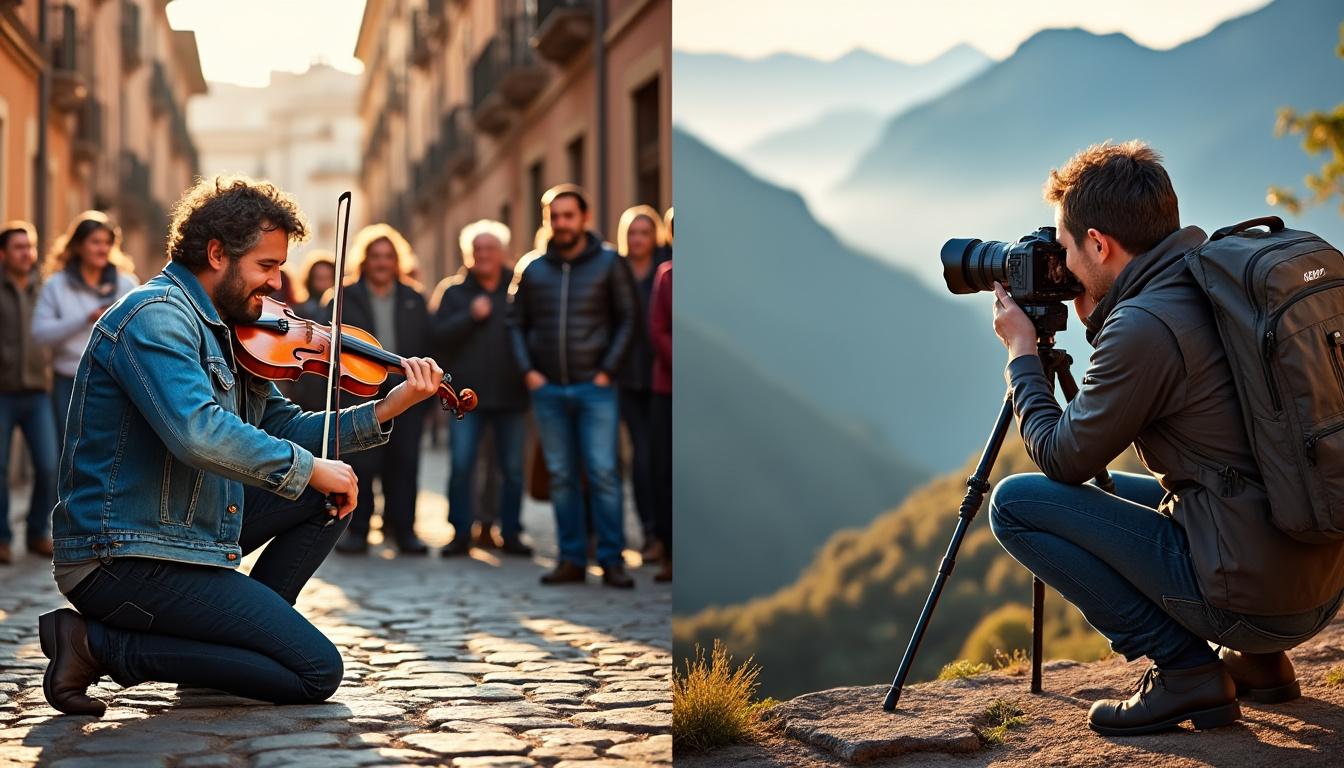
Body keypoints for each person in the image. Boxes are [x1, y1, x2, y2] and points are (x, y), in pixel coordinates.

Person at [39, 175, 444, 716]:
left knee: (330, 491)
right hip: (121, 556)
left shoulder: (232, 328)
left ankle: (222, 652)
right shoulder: (154, 317)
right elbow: (197, 433)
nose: (277, 284)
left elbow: (288, 425)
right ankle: (98, 647)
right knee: (314, 671)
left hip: (184, 535)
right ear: (216, 253)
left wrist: (386, 408)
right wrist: (307, 468)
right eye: (266, 266)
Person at [986, 141, 1344, 736]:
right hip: (1319, 583)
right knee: (1173, 487)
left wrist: (1022, 355)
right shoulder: (1218, 280)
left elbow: (1062, 457)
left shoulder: (1144, 326)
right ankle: (1259, 665)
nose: (1063, 265)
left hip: (1252, 595)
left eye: (1068, 249)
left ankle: (1185, 673)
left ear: (1100, 244)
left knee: (1017, 505)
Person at [509, 184, 638, 588]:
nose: (561, 223)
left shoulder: (609, 263)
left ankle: (612, 560)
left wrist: (607, 371)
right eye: (554, 216)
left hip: (594, 388)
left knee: (603, 473)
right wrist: (529, 371)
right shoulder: (532, 268)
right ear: (547, 220)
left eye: (569, 215)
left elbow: (628, 320)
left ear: (585, 217)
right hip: (548, 391)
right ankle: (571, 559)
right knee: (562, 476)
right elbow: (515, 324)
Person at [331, 224, 434, 556]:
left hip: (407, 391)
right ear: (364, 260)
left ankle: (403, 530)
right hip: (358, 390)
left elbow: (428, 345)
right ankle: (357, 531)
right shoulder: (342, 296)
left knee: (404, 463)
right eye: (375, 256)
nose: (381, 263)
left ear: (397, 261)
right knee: (362, 462)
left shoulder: (413, 298)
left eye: (388, 256)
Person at [431, 220, 531, 558]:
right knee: (462, 466)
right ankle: (460, 532)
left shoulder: (519, 288)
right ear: (468, 255)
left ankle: (512, 531)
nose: (484, 255)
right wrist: (469, 316)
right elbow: (437, 337)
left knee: (513, 470)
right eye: (478, 250)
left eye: (490, 249)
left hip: (511, 394)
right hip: (464, 399)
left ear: (503, 253)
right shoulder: (453, 291)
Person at [32, 212, 137, 451]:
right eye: (95, 242)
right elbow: (40, 334)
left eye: (107, 243)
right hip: (66, 382)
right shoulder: (56, 285)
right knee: (68, 451)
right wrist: (85, 318)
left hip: (113, 382)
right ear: (78, 245)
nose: (102, 249)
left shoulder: (127, 285)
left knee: (107, 450)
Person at [614, 206, 670, 562]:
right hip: (628, 375)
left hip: (661, 372)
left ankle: (664, 536)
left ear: (655, 237)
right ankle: (649, 531)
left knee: (660, 458)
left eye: (644, 233)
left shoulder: (667, 266)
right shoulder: (615, 269)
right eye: (632, 233)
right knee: (642, 454)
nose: (638, 240)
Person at [0, 222, 58, 562]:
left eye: (31, 246)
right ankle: (3, 538)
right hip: (2, 392)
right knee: (1, 467)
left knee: (48, 464)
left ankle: (38, 531)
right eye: (20, 247)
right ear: (4, 254)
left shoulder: (45, 289)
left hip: (38, 391)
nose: (27, 254)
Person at [290, 250, 337, 412]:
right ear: (310, 281)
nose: (323, 284)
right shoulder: (299, 311)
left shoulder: (341, 310)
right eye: (319, 279)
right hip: (307, 388)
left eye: (327, 279)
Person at [649, 259, 672, 584]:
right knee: (664, 471)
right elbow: (658, 328)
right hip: (668, 386)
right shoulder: (668, 275)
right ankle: (669, 552)